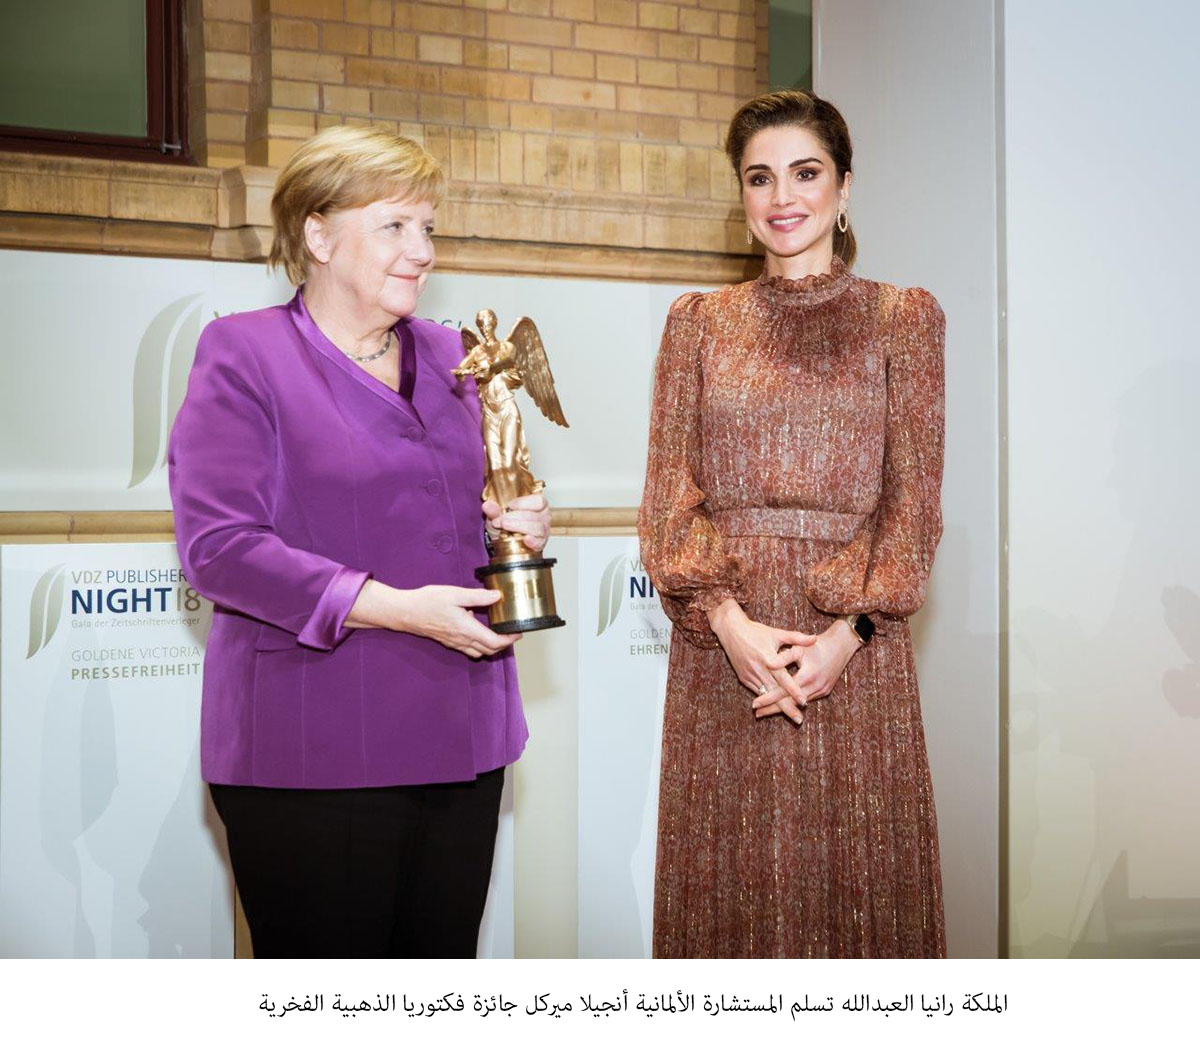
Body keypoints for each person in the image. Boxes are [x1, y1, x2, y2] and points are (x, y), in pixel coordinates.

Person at [168, 125, 549, 958]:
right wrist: (397, 609)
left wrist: (520, 518)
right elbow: (220, 546)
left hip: (464, 738)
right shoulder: (244, 354)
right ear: (317, 233)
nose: (423, 251)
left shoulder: (458, 356)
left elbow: (479, 501)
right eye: (395, 226)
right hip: (313, 748)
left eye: (429, 228)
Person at [639, 90, 946, 957]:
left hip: (856, 653)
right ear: (740, 196)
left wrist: (846, 635)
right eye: (760, 177)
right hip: (721, 650)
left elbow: (913, 503)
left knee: (856, 893)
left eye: (806, 173)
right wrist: (726, 623)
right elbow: (670, 494)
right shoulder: (698, 324)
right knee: (727, 892)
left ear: (845, 188)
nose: (783, 196)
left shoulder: (904, 318)